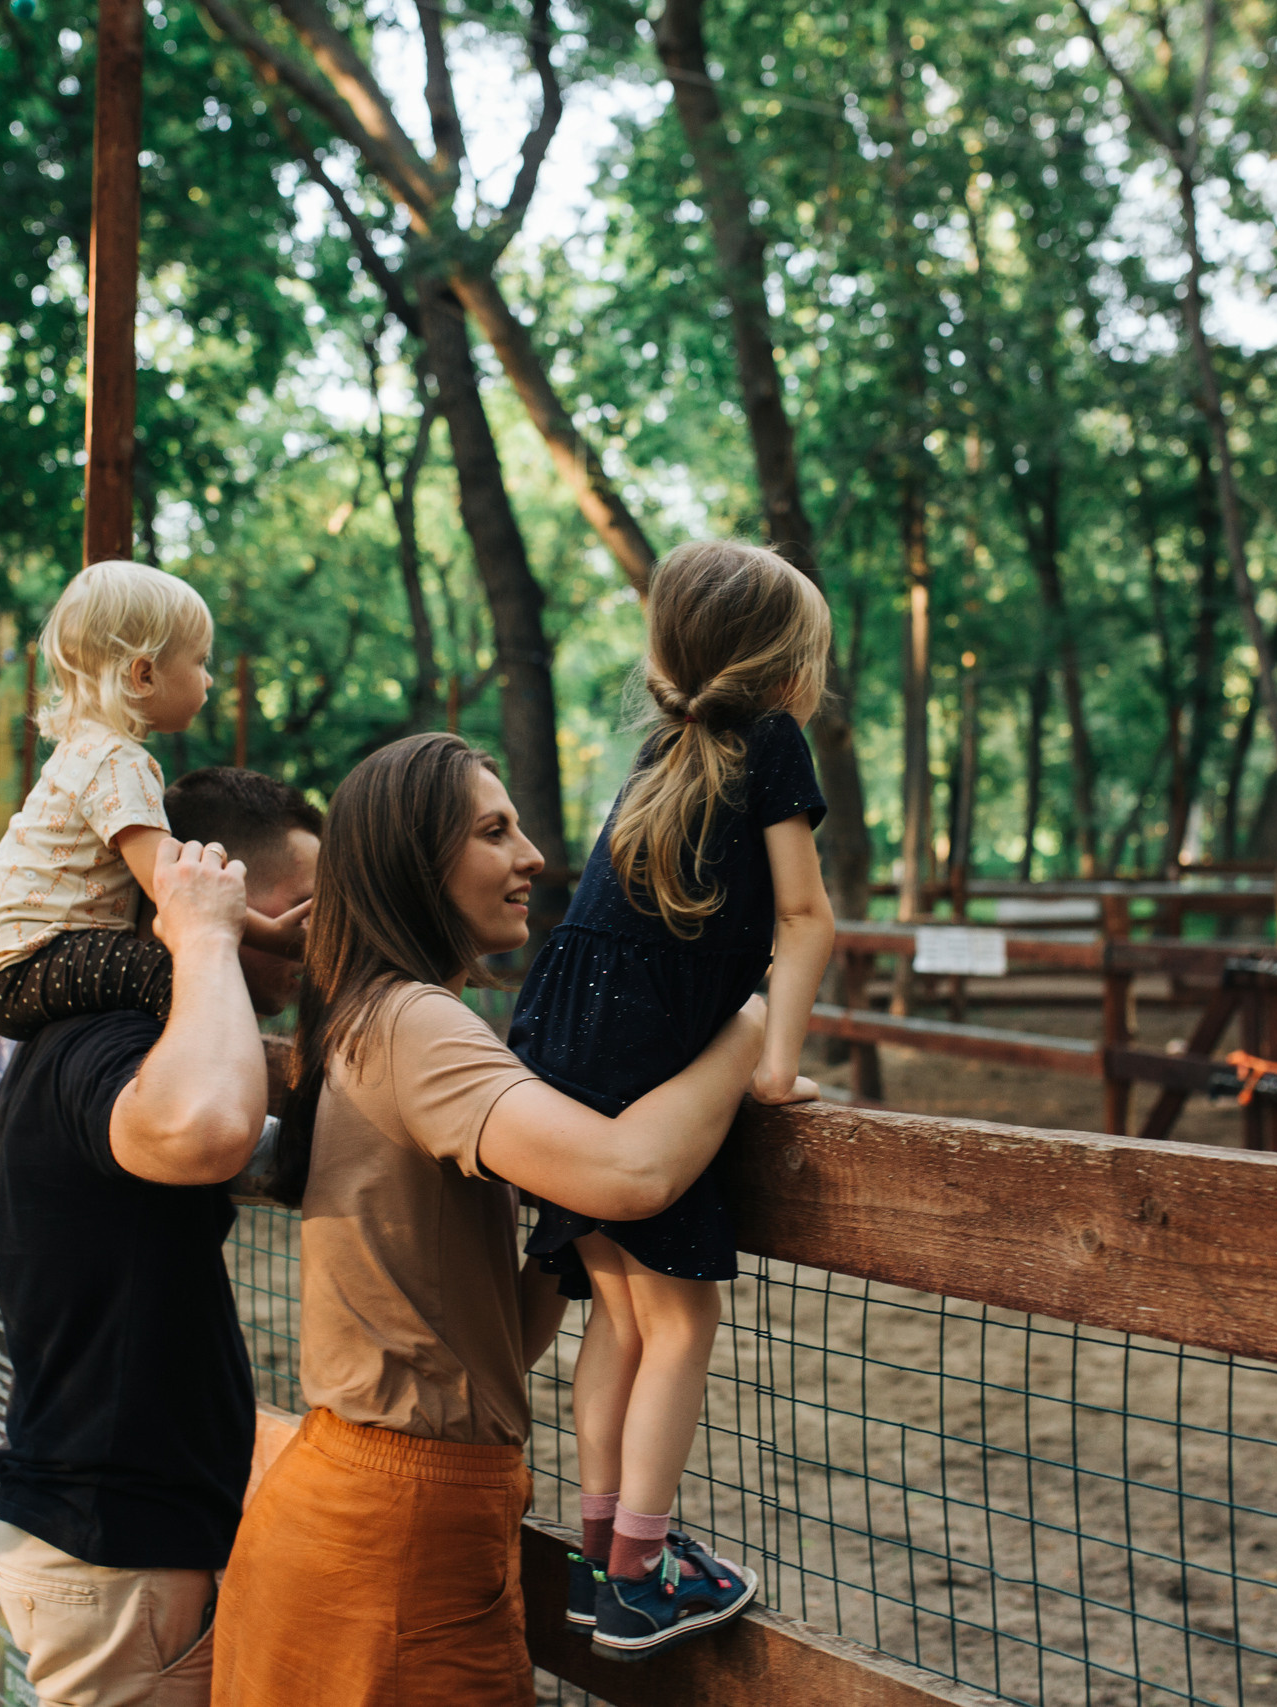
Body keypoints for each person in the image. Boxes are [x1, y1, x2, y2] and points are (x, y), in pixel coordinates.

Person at [211, 734, 766, 1706]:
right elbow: (632, 1173)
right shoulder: (414, 1026)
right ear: (417, 868)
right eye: (493, 831)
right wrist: (746, 1027)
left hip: (380, 1511)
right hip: (396, 1538)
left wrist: (563, 1235)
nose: (534, 857)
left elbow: (495, 1339)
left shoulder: (365, 1015)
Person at [507, 540, 835, 1657]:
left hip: (564, 1050)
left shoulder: (667, 748)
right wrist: (773, 1063)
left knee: (622, 1314)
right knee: (680, 1319)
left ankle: (603, 1557)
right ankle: (643, 1578)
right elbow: (804, 919)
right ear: (783, 662)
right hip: (642, 1060)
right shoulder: (770, 743)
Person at [0, 766, 322, 1707]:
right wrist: (208, 935)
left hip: (122, 1545)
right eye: (299, 910)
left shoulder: (123, 1042)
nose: (313, 939)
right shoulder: (105, 1037)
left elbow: (231, 1149)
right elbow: (206, 1132)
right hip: (115, 1555)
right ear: (206, 888)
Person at [0, 561, 308, 1041]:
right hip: (31, 961)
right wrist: (277, 937)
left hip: (9, 969)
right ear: (143, 675)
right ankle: (211, 1068)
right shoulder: (119, 762)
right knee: (176, 977)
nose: (208, 680)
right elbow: (177, 892)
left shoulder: (86, 749)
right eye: (200, 661)